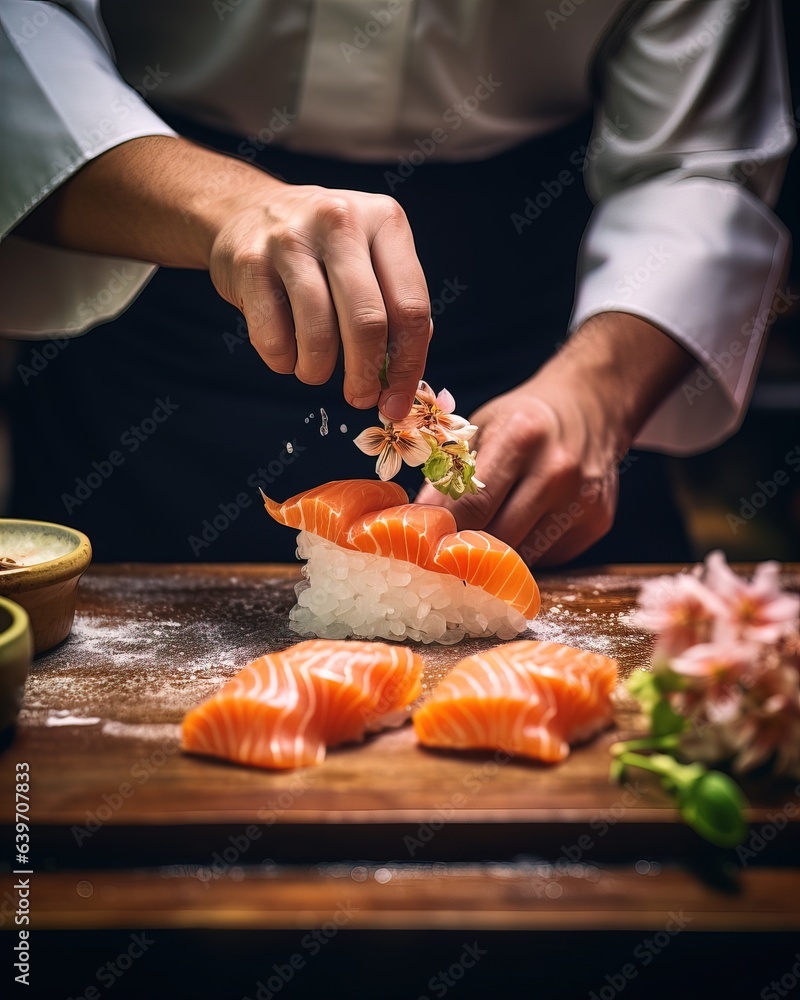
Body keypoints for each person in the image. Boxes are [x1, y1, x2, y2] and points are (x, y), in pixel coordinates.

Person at [0, 0, 794, 565]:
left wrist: (596, 396)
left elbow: (705, 166)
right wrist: (221, 205)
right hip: (146, 296)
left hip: (539, 323)